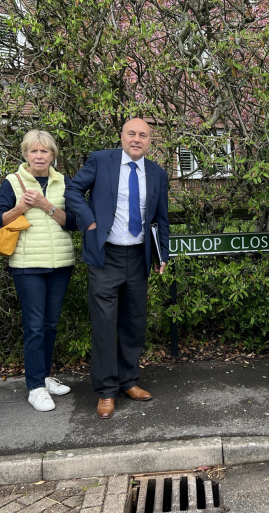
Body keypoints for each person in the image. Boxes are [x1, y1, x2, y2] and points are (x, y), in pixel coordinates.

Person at [65, 118, 169, 419]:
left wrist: (163, 254)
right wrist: (89, 221)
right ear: (121, 136)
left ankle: (128, 381)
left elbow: (161, 218)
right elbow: (73, 191)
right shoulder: (101, 160)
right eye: (131, 133)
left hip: (138, 257)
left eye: (143, 135)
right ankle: (107, 391)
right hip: (105, 255)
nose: (137, 139)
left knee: (134, 322)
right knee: (105, 323)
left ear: (150, 141)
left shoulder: (157, 173)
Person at [0, 130, 78, 412]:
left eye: (45, 151)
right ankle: (35, 387)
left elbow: (74, 221)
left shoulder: (64, 182)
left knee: (51, 324)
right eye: (33, 151)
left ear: (53, 155)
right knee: (35, 325)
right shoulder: (13, 181)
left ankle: (44, 376)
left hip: (60, 264)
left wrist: (47, 206)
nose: (39, 156)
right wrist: (21, 207)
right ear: (25, 154)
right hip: (27, 266)